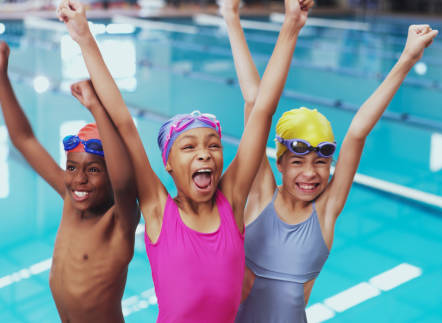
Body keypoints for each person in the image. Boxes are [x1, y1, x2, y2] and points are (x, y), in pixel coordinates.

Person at [56, 0, 313, 321]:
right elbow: (124, 123)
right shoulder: (158, 210)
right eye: (189, 147)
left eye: (213, 146)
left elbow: (262, 111)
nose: (204, 152)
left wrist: (291, 25)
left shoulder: (231, 202)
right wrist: (84, 37)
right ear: (168, 164)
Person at [221, 1, 438, 320]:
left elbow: (357, 134)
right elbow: (256, 104)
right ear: (279, 164)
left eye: (320, 162)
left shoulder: (324, 212)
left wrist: (407, 58)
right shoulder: (259, 196)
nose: (310, 173)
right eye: (297, 162)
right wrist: (234, 17)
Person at [0, 42, 139, 323]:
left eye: (93, 170)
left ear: (110, 172)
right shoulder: (71, 200)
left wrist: (96, 108)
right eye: (71, 168)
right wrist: (0, 77)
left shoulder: (119, 221)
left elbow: (125, 184)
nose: (78, 179)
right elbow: (24, 140)